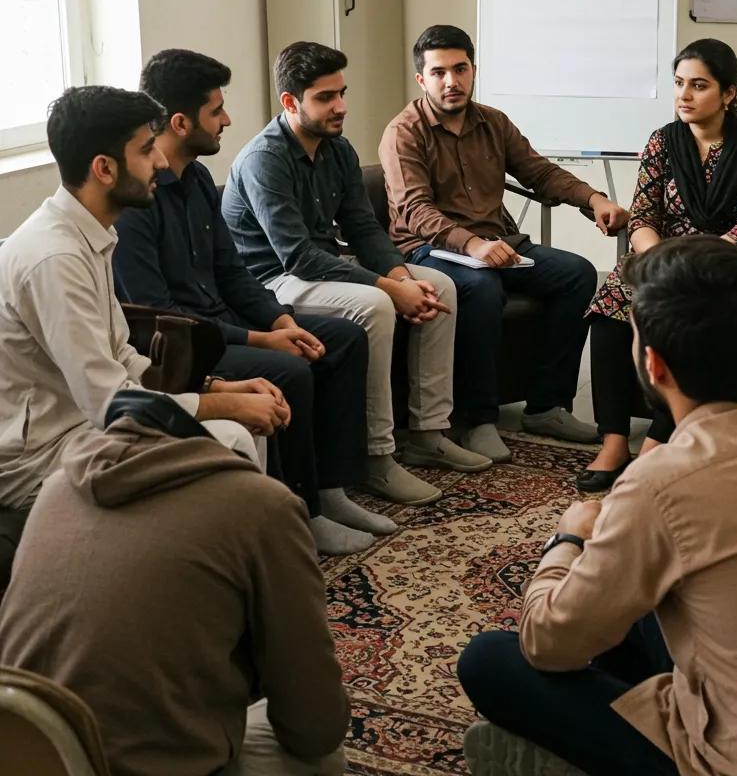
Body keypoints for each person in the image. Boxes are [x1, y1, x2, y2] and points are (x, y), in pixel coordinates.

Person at [458, 237, 737, 776]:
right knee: (650, 600)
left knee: (490, 659)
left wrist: (569, 539)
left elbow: (547, 645)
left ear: (653, 363)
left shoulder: (661, 481)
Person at [0, 87, 280, 592]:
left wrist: (221, 390)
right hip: (43, 454)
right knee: (232, 437)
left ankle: (225, 591)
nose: (161, 162)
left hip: (81, 424)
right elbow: (110, 403)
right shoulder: (55, 258)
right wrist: (226, 409)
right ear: (105, 169)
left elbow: (122, 357)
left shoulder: (88, 233)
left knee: (236, 432)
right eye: (147, 149)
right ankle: (211, 593)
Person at [114, 49, 393, 555]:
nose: (227, 119)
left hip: (226, 321)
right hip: (182, 345)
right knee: (288, 368)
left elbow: (232, 272)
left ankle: (333, 489)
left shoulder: (198, 179)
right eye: (216, 111)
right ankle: (300, 512)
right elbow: (158, 319)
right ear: (180, 122)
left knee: (342, 339)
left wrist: (282, 319)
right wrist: (263, 338)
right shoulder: (137, 203)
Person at [0, 389, 349, 775]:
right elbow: (316, 727)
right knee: (322, 755)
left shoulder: (56, 488)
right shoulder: (262, 506)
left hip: (28, 754)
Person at [223, 41, 491, 507]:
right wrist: (389, 288)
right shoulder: (263, 159)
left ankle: (428, 431)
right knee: (377, 304)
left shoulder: (338, 150)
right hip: (272, 280)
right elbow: (297, 257)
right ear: (291, 102)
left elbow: (364, 229)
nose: (341, 106)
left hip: (321, 268)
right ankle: (377, 458)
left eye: (342, 93)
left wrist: (401, 277)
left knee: (439, 283)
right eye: (326, 97)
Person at [379, 24, 628, 462]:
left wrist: (593, 199)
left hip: (497, 243)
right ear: (422, 79)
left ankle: (547, 405)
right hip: (430, 249)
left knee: (577, 273)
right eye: (439, 72)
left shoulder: (492, 122)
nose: (451, 81)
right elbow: (415, 210)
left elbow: (539, 172)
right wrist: (472, 245)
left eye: (460, 69)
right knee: (480, 288)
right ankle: (479, 420)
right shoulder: (404, 132)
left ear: (474, 70)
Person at [581, 37, 737, 491]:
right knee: (611, 300)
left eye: (699, 85)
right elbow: (644, 216)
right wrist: (656, 260)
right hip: (665, 257)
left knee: (688, 313)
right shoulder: (662, 142)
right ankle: (613, 439)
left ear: (728, 93)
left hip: (733, 260)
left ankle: (657, 436)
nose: (684, 96)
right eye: (678, 84)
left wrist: (691, 266)